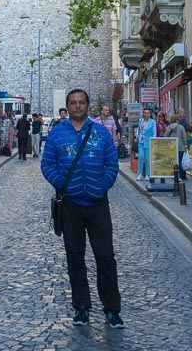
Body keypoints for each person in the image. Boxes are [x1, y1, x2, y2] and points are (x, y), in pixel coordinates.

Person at [41, 88, 123, 329]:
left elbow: (112, 163)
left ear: (88, 106)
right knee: (75, 258)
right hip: (71, 205)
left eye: (81, 103)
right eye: (73, 103)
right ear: (68, 106)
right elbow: (47, 164)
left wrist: (102, 186)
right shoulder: (57, 134)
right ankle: (82, 307)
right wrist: (63, 185)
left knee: (106, 257)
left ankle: (112, 309)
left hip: (98, 204)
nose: (77, 106)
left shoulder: (100, 132)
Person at [136, 107, 157, 181]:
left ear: (150, 114)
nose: (146, 114)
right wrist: (138, 136)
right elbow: (139, 131)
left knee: (147, 159)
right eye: (145, 113)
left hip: (148, 142)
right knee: (141, 157)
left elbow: (154, 132)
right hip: (141, 142)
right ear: (143, 114)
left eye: (148, 113)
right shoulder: (141, 120)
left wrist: (153, 140)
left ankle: (148, 174)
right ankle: (140, 174)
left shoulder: (153, 122)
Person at [164, 115, 188, 180]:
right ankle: (180, 176)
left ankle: (174, 175)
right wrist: (185, 146)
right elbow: (184, 137)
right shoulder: (181, 127)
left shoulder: (168, 128)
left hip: (171, 148)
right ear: (177, 120)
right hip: (180, 148)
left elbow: (165, 138)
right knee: (179, 162)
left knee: (173, 162)